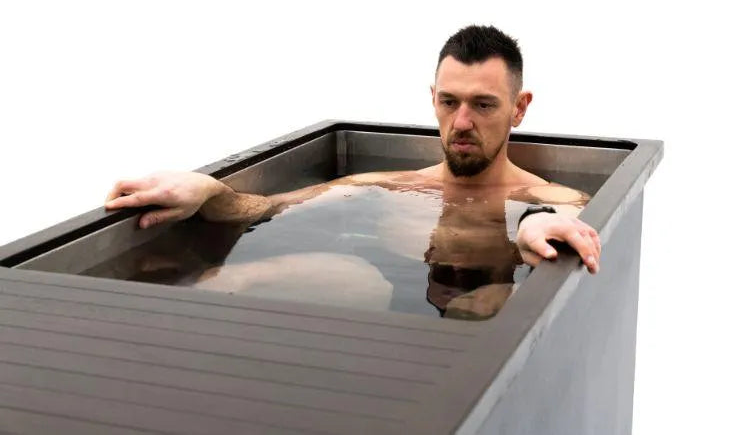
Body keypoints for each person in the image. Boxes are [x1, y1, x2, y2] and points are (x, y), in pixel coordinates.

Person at [104, 25, 601, 318]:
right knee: (245, 277)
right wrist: (208, 190)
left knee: (488, 307)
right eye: (449, 102)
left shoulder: (549, 195)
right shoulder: (386, 184)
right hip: (381, 289)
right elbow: (265, 209)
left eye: (484, 105)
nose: (462, 122)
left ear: (519, 108)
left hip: (487, 305)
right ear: (432, 99)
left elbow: (561, 217)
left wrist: (534, 221)